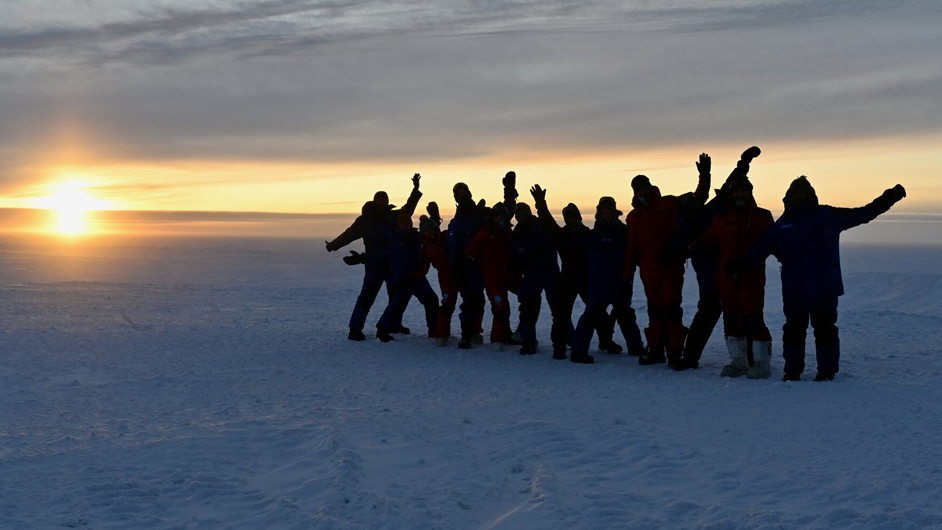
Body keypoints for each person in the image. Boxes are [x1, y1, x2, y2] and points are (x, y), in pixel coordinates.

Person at [742, 176, 906, 381]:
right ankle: (792, 371)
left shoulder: (828, 215)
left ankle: (826, 371)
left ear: (812, 196)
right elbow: (763, 247)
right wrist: (744, 263)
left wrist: (886, 200)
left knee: (825, 330)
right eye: (796, 194)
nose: (800, 197)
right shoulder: (783, 224)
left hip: (824, 287)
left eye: (804, 194)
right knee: (793, 331)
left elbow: (862, 214)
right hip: (795, 289)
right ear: (789, 197)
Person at [667, 146, 762, 370]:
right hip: (710, 279)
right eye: (688, 206)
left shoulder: (711, 211)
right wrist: (675, 251)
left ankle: (750, 358)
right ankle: (691, 358)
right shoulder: (685, 229)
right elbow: (675, 247)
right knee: (707, 315)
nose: (692, 207)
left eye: (693, 202)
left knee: (742, 312)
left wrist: (743, 164)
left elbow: (730, 187)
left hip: (731, 271)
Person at [626, 158, 709, 368]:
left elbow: (698, 199)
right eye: (638, 189)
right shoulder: (633, 216)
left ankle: (674, 352)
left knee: (672, 310)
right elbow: (631, 248)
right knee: (654, 311)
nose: (642, 192)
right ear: (634, 192)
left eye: (644, 187)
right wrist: (626, 275)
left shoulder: (670, 203)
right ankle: (655, 351)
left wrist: (704, 176)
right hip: (648, 270)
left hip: (671, 267)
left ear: (650, 186)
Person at [694, 174, 775, 378]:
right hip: (727, 279)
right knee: (731, 320)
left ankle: (761, 363)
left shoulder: (762, 217)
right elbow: (708, 239)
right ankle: (738, 362)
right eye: (737, 190)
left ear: (750, 192)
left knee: (754, 319)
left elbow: (773, 242)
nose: (740, 194)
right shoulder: (722, 218)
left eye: (744, 190)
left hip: (752, 278)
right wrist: (686, 248)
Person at [530, 188, 626, 358]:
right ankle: (559, 346)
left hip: (588, 279)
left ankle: (606, 341)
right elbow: (549, 223)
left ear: (580, 218)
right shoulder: (563, 235)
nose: (571, 220)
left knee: (598, 313)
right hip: (567, 279)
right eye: (568, 218)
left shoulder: (589, 235)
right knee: (561, 314)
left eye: (574, 216)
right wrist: (541, 205)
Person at [325, 174, 422, 340]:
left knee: (396, 296)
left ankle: (393, 324)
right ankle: (355, 329)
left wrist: (415, 190)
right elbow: (350, 234)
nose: (382, 202)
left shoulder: (393, 216)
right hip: (374, 264)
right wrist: (334, 245)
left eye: (385, 199)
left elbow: (408, 209)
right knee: (367, 296)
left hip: (392, 264)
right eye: (380, 199)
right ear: (374, 201)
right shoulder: (365, 220)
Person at [567, 195, 645, 364]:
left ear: (616, 213)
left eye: (610, 212)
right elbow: (567, 236)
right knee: (590, 317)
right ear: (599, 214)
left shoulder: (625, 233)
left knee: (626, 315)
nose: (608, 215)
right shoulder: (592, 236)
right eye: (604, 212)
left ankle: (636, 347)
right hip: (599, 286)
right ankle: (578, 352)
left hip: (621, 283)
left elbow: (636, 253)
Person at [447, 172, 517, 349]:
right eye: (458, 194)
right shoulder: (455, 223)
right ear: (455, 198)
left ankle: (504, 332)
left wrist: (509, 191)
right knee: (472, 301)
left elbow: (504, 213)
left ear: (470, 194)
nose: (462, 196)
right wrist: (458, 271)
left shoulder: (483, 214)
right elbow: (454, 250)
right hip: (471, 268)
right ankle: (467, 334)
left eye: (464, 192)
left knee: (498, 301)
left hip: (492, 266)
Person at [375, 213, 440, 342]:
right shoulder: (392, 238)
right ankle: (382, 329)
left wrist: (435, 218)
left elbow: (430, 232)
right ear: (399, 225)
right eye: (403, 224)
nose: (405, 226)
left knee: (431, 300)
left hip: (418, 277)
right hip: (403, 279)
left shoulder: (417, 237)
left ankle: (434, 329)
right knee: (398, 305)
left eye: (408, 224)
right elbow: (380, 254)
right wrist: (363, 258)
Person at [510, 202, 565, 357]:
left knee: (558, 308)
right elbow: (516, 253)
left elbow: (552, 236)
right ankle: (528, 341)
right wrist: (516, 261)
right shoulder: (517, 233)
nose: (521, 218)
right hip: (531, 274)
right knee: (527, 307)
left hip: (549, 272)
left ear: (529, 213)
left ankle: (569, 338)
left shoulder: (542, 225)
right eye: (518, 216)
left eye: (523, 214)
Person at [465, 202, 518, 349]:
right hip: (493, 279)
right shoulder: (486, 232)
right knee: (501, 309)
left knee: (529, 298)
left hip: (509, 275)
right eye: (497, 216)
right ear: (492, 217)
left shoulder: (509, 232)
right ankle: (497, 340)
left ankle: (516, 334)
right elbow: (472, 250)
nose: (500, 219)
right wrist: (462, 262)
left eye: (503, 216)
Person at [418, 205, 458, 347]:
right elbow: (423, 267)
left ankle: (473, 333)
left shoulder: (444, 237)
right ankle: (441, 335)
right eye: (427, 230)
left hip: (460, 272)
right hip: (445, 278)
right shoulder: (426, 249)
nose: (430, 232)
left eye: (432, 229)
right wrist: (414, 276)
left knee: (472, 302)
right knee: (447, 306)